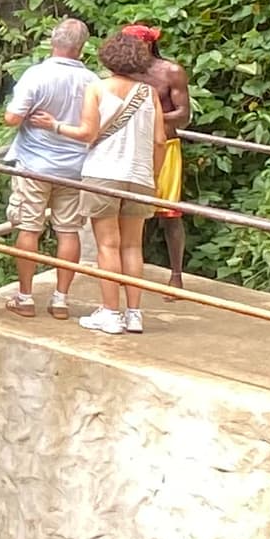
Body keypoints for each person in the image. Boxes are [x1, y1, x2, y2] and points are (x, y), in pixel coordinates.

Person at [0, 18, 104, 314]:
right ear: (81, 48)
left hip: (34, 165)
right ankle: (60, 299)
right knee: (68, 231)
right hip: (74, 168)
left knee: (29, 228)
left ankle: (26, 297)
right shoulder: (93, 81)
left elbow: (12, 118)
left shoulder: (36, 75)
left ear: (52, 41)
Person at [79, 34, 168, 334]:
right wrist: (153, 177)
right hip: (140, 177)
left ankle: (110, 313)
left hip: (103, 173)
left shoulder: (97, 89)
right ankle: (134, 314)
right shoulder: (149, 93)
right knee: (132, 246)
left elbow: (89, 134)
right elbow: (160, 141)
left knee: (108, 245)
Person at [114, 22, 192, 285]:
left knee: (169, 214)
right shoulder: (122, 72)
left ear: (148, 44)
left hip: (166, 146)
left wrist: (152, 115)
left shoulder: (171, 71)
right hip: (131, 147)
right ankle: (127, 272)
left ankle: (176, 275)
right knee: (129, 211)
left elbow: (183, 115)